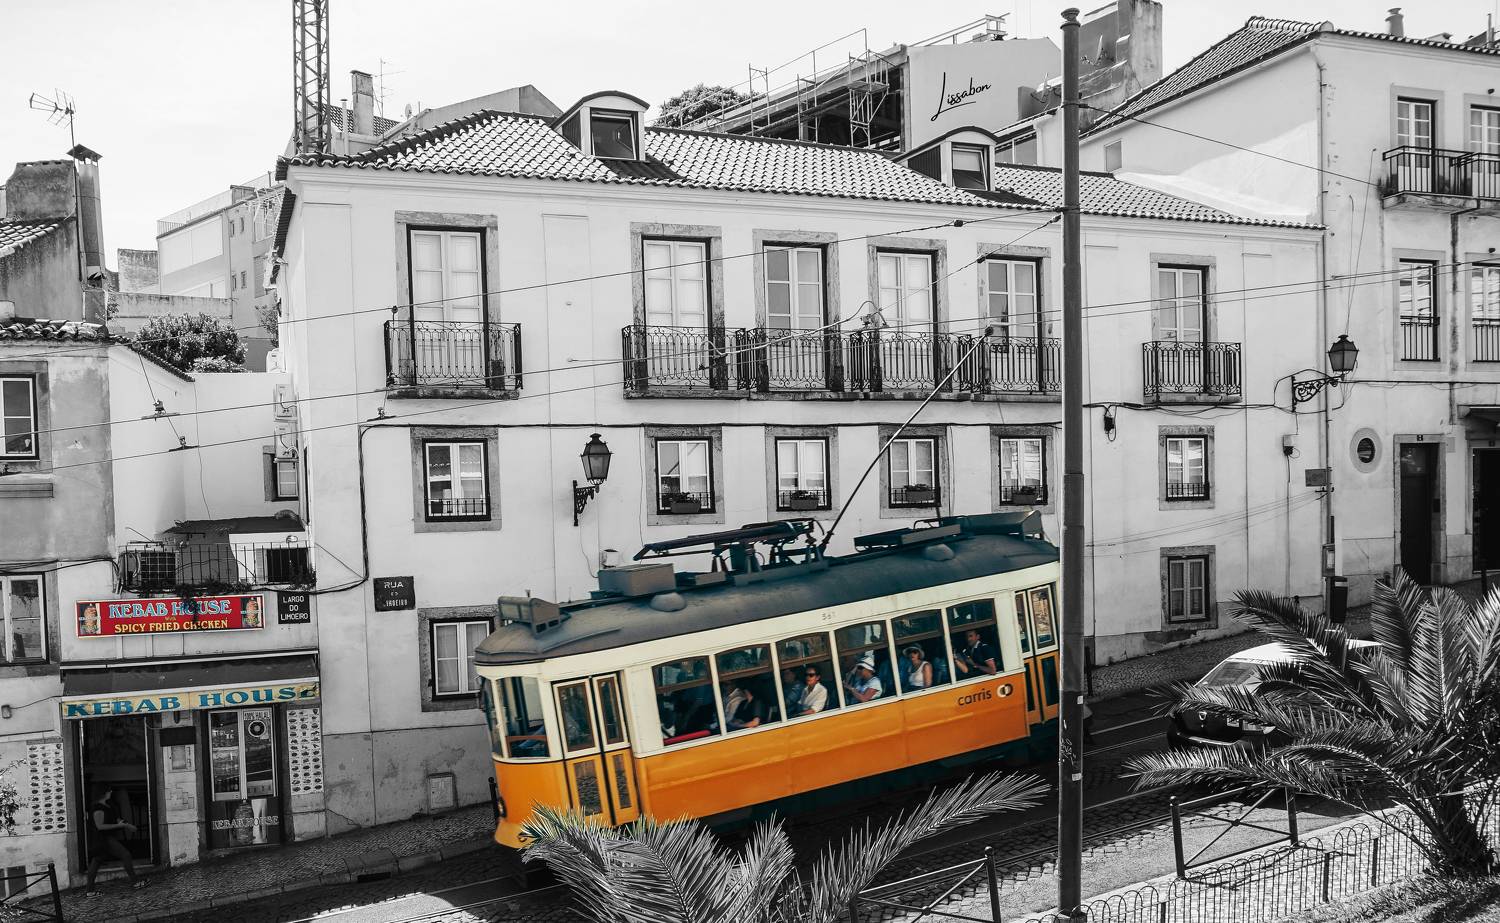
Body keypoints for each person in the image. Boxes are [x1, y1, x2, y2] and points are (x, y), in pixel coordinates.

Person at [84, 787, 144, 893]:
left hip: (107, 837)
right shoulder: (98, 808)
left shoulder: (108, 806)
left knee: (96, 861)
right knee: (125, 855)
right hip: (102, 838)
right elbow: (100, 826)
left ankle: (90, 891)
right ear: (103, 793)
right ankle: (135, 882)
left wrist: (128, 826)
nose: (111, 792)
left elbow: (116, 819)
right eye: (108, 790)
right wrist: (119, 826)